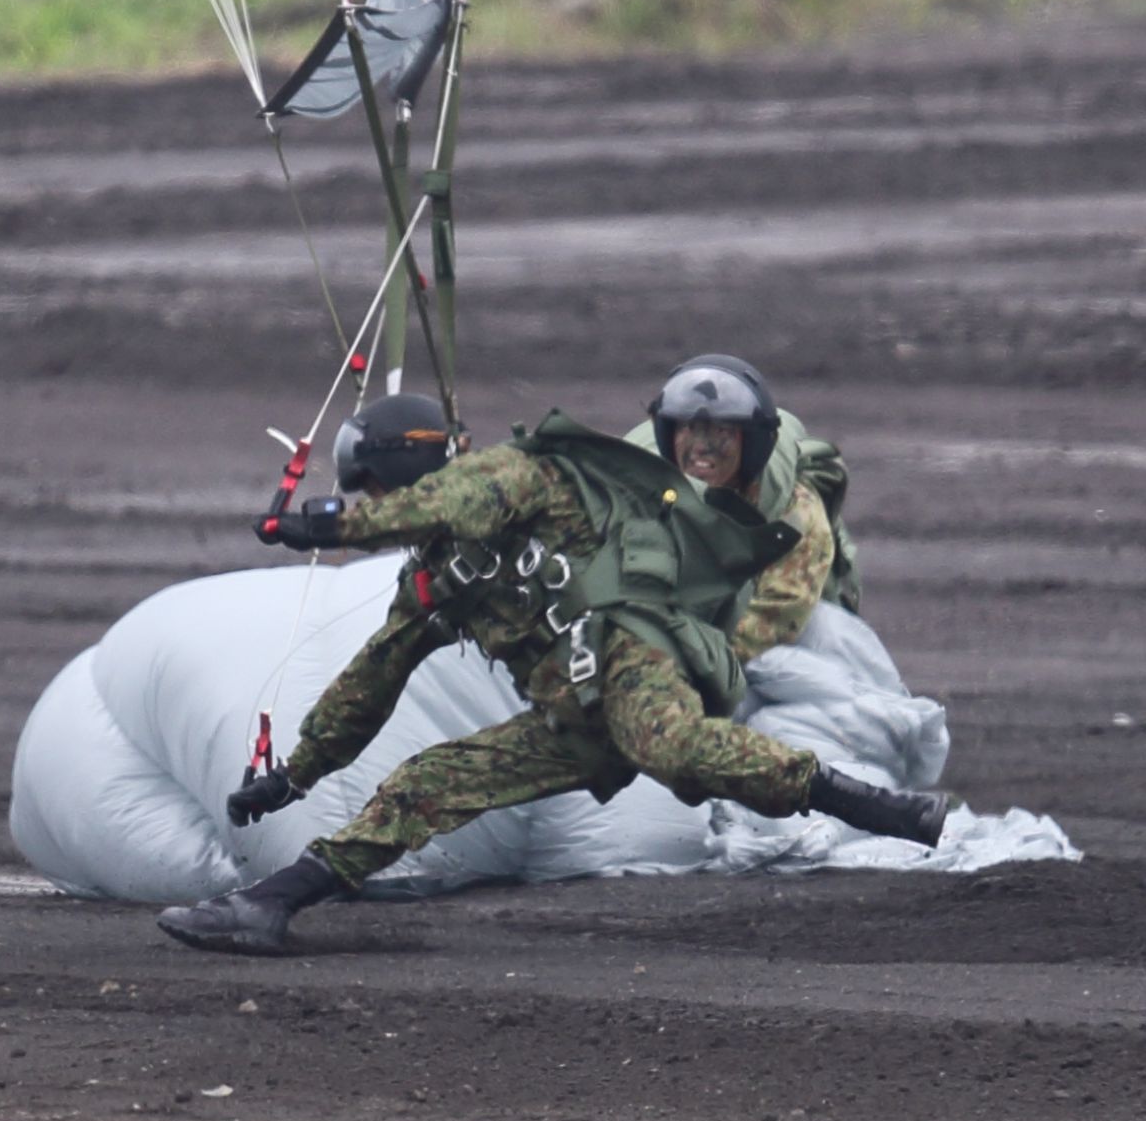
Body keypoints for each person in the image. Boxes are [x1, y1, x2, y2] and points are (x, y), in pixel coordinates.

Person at [157, 379, 946, 957]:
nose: (371, 510)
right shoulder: (430, 584)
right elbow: (369, 684)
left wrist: (331, 524)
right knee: (425, 784)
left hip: (630, 651)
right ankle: (270, 906)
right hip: (570, 720)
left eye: (366, 489)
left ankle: (871, 804)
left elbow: (455, 504)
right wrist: (292, 776)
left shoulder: (515, 475)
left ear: (392, 473)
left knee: (667, 747)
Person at [627, 353, 862, 664]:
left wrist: (670, 671)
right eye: (688, 429)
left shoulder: (795, 515)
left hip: (783, 632)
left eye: (721, 432)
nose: (701, 446)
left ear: (751, 443)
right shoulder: (635, 488)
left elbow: (764, 630)